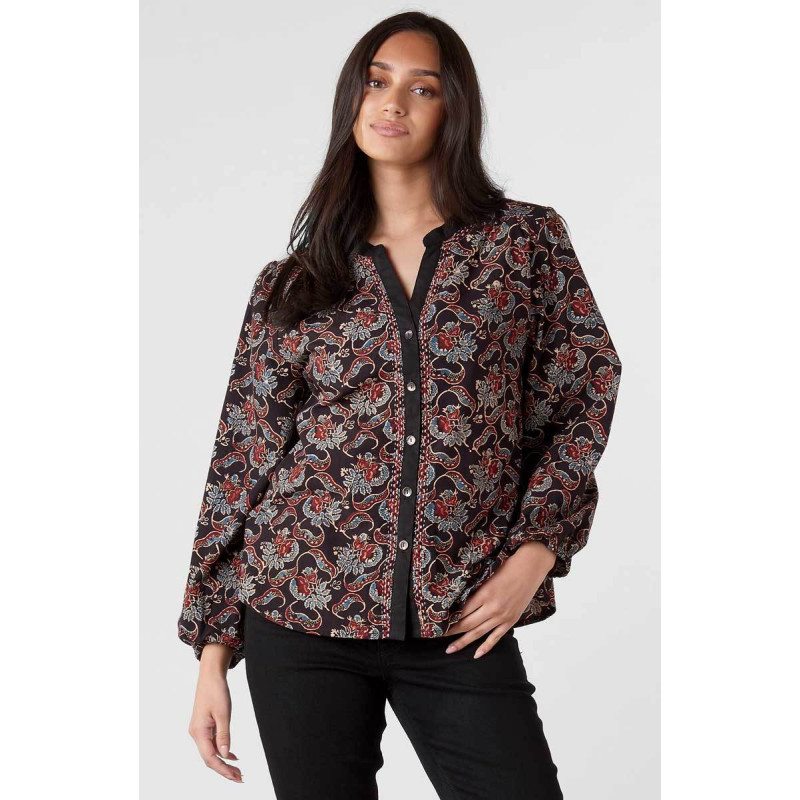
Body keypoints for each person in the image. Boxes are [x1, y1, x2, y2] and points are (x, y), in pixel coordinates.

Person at [178, 11, 622, 800]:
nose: (393, 103)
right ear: (352, 101)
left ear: (455, 110)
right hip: (297, 613)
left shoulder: (523, 244)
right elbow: (243, 457)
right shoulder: (296, 280)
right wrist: (214, 654)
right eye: (377, 82)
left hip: (460, 614)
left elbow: (584, 392)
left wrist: (536, 551)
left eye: (423, 88)